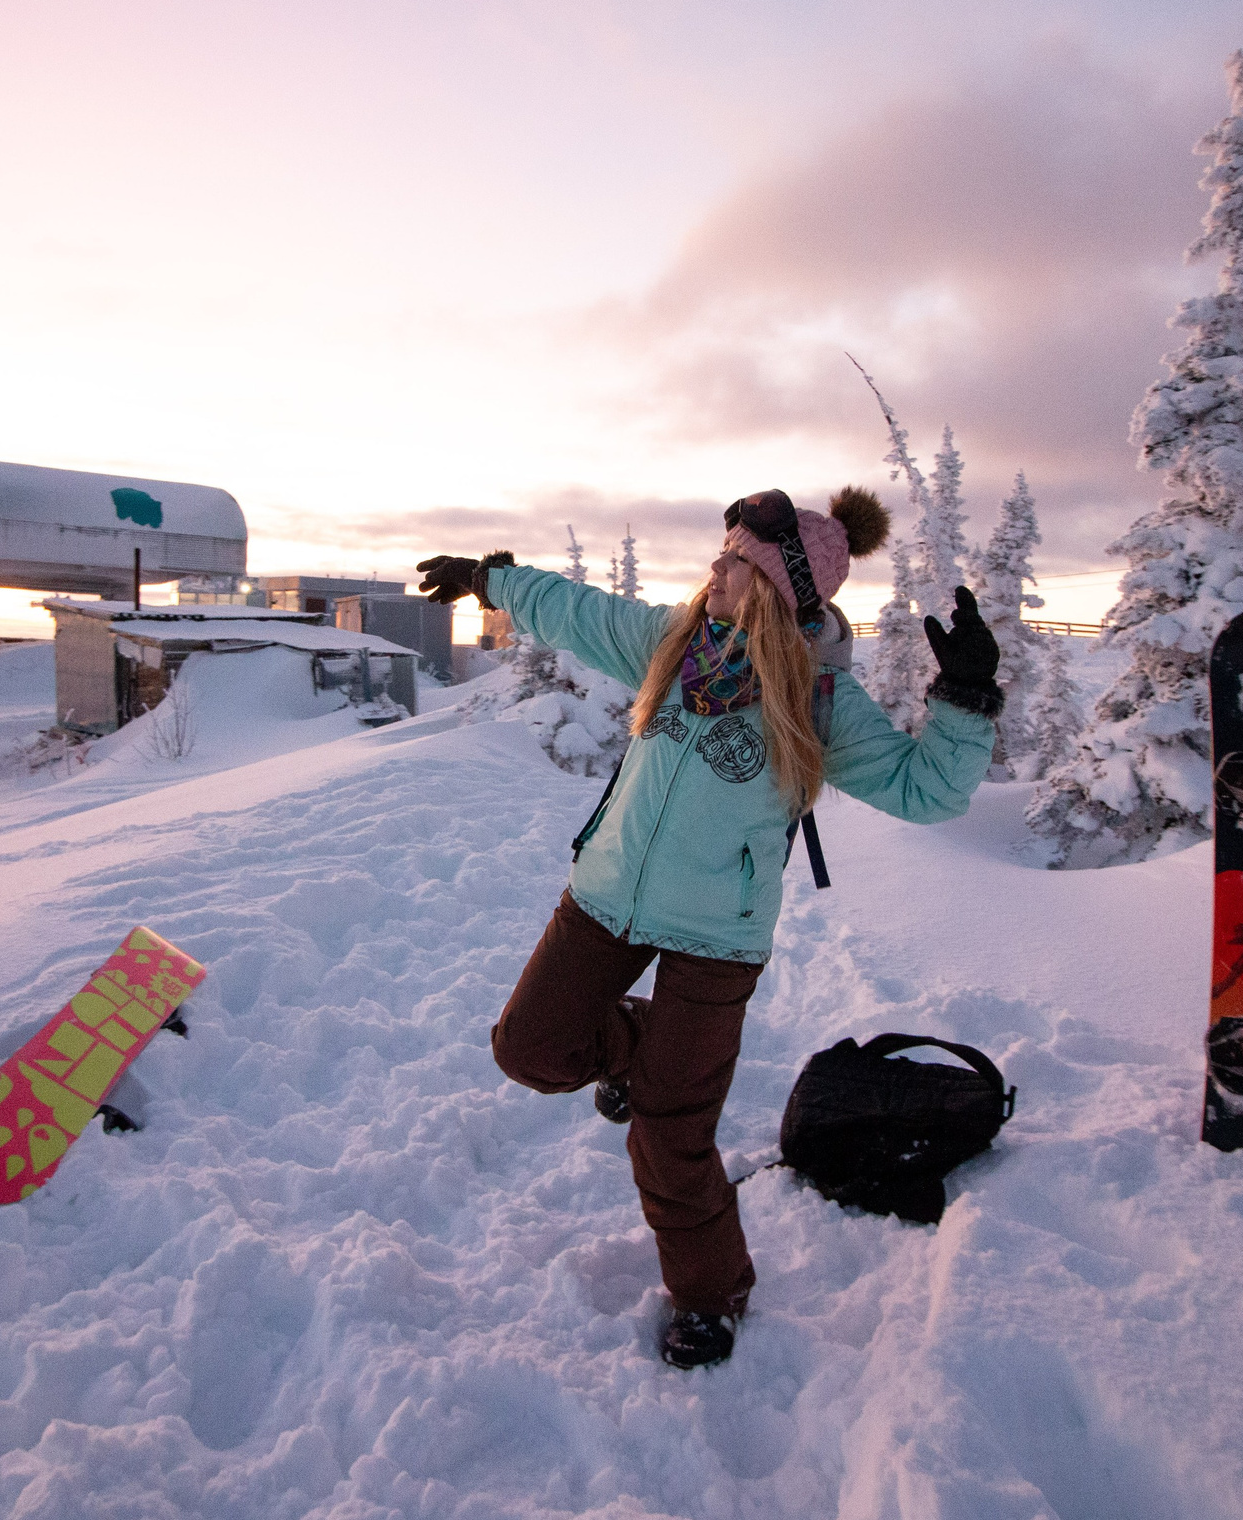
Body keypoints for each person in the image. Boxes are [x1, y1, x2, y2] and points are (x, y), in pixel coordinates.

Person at [417, 487, 1004, 1369]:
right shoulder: (673, 641)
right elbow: (581, 610)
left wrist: (963, 700)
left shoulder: (819, 702)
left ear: (774, 588)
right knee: (530, 1048)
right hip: (606, 895)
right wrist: (493, 580)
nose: (715, 570)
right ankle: (640, 1050)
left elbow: (930, 790)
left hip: (717, 938)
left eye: (734, 562)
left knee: (670, 1136)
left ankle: (710, 1294)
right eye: (722, 554)